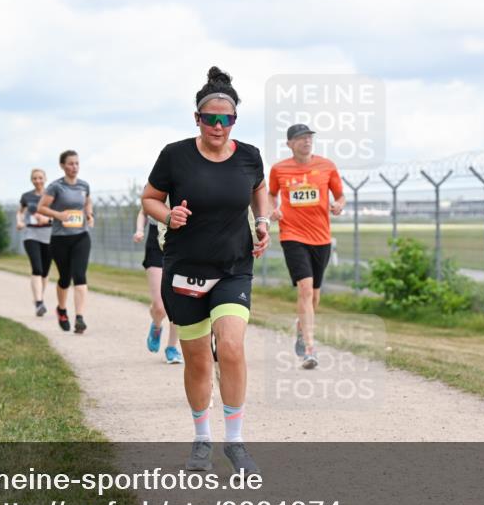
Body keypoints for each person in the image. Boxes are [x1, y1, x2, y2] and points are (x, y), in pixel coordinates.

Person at [141, 66, 270, 475]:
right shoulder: (174, 155)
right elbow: (149, 198)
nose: (218, 125)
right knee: (197, 360)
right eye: (210, 118)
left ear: (235, 120)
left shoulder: (249, 156)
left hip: (234, 266)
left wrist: (262, 222)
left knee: (230, 346)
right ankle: (201, 439)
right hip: (185, 269)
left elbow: (258, 189)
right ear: (197, 119)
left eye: (226, 119)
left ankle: (235, 442)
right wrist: (168, 215)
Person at [268, 123, 346, 368]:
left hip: (321, 238)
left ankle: (301, 329)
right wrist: (274, 209)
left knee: (314, 296)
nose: (306, 141)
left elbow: (340, 196)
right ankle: (310, 349)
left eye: (309, 137)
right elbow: (270, 194)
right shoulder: (279, 169)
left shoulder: (327, 166)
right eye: (300, 138)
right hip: (292, 235)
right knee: (305, 288)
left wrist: (339, 205)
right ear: (290, 143)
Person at [36, 150, 93, 334]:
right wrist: (58, 215)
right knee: (64, 278)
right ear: (62, 165)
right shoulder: (55, 187)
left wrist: (89, 215)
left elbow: (87, 203)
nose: (74, 167)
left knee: (80, 276)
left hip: (81, 236)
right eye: (70, 163)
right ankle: (61, 309)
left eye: (77, 163)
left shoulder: (84, 185)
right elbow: (41, 208)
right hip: (60, 239)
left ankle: (80, 318)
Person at [134, 209, 183, 364]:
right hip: (156, 243)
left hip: (180, 243)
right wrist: (140, 230)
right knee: (160, 307)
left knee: (177, 303)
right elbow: (144, 211)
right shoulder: (157, 184)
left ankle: (171, 348)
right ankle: (156, 326)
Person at [17, 169, 54, 316]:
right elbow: (20, 211)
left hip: (50, 236)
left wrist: (48, 219)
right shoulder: (27, 196)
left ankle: (39, 298)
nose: (37, 180)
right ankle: (39, 303)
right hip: (31, 235)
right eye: (34, 178)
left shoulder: (52, 196)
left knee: (45, 272)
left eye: (40, 178)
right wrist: (19, 222)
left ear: (45, 179)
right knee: (37, 268)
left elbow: (60, 216)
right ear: (31, 180)